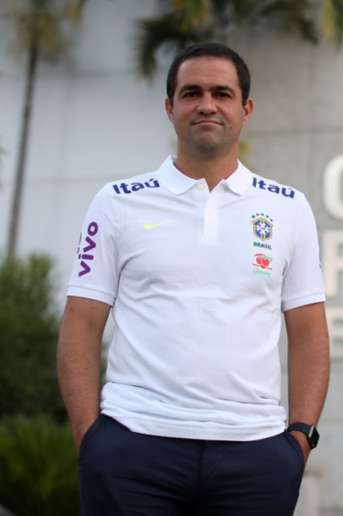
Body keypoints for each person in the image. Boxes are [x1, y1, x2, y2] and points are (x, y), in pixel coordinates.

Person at [57, 42, 329, 515]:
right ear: (170, 108)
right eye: (192, 93)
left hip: (256, 453)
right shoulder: (117, 201)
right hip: (133, 446)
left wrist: (299, 438)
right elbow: (81, 322)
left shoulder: (288, 207)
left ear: (245, 110)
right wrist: (90, 436)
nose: (207, 104)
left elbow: (309, 330)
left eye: (222, 93)